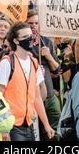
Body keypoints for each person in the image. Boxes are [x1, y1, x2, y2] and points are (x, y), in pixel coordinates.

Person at [0, 22, 55, 141]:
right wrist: (3, 126)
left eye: (31, 35)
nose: (30, 39)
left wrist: (47, 125)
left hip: (29, 123)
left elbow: (37, 97)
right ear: (16, 41)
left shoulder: (34, 63)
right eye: (25, 36)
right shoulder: (6, 63)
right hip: (11, 125)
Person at [26, 10, 61, 141]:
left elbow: (57, 70)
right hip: (32, 96)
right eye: (30, 23)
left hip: (49, 95)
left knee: (54, 128)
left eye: (36, 23)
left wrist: (49, 56)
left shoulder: (46, 41)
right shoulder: (22, 43)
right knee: (36, 131)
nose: (33, 26)